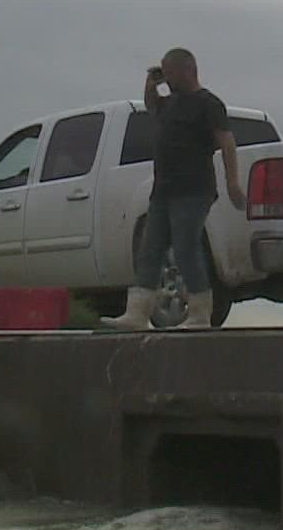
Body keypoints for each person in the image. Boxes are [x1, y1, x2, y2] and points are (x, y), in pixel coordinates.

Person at [103, 48, 247, 331]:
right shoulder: (169, 104)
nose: (166, 80)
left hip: (193, 190)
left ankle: (200, 314)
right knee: (150, 249)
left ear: (186, 70)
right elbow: (152, 104)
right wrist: (150, 83)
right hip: (163, 190)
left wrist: (233, 182)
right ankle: (137, 313)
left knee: (185, 247)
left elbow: (227, 143)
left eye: (169, 74)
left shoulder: (208, 103)